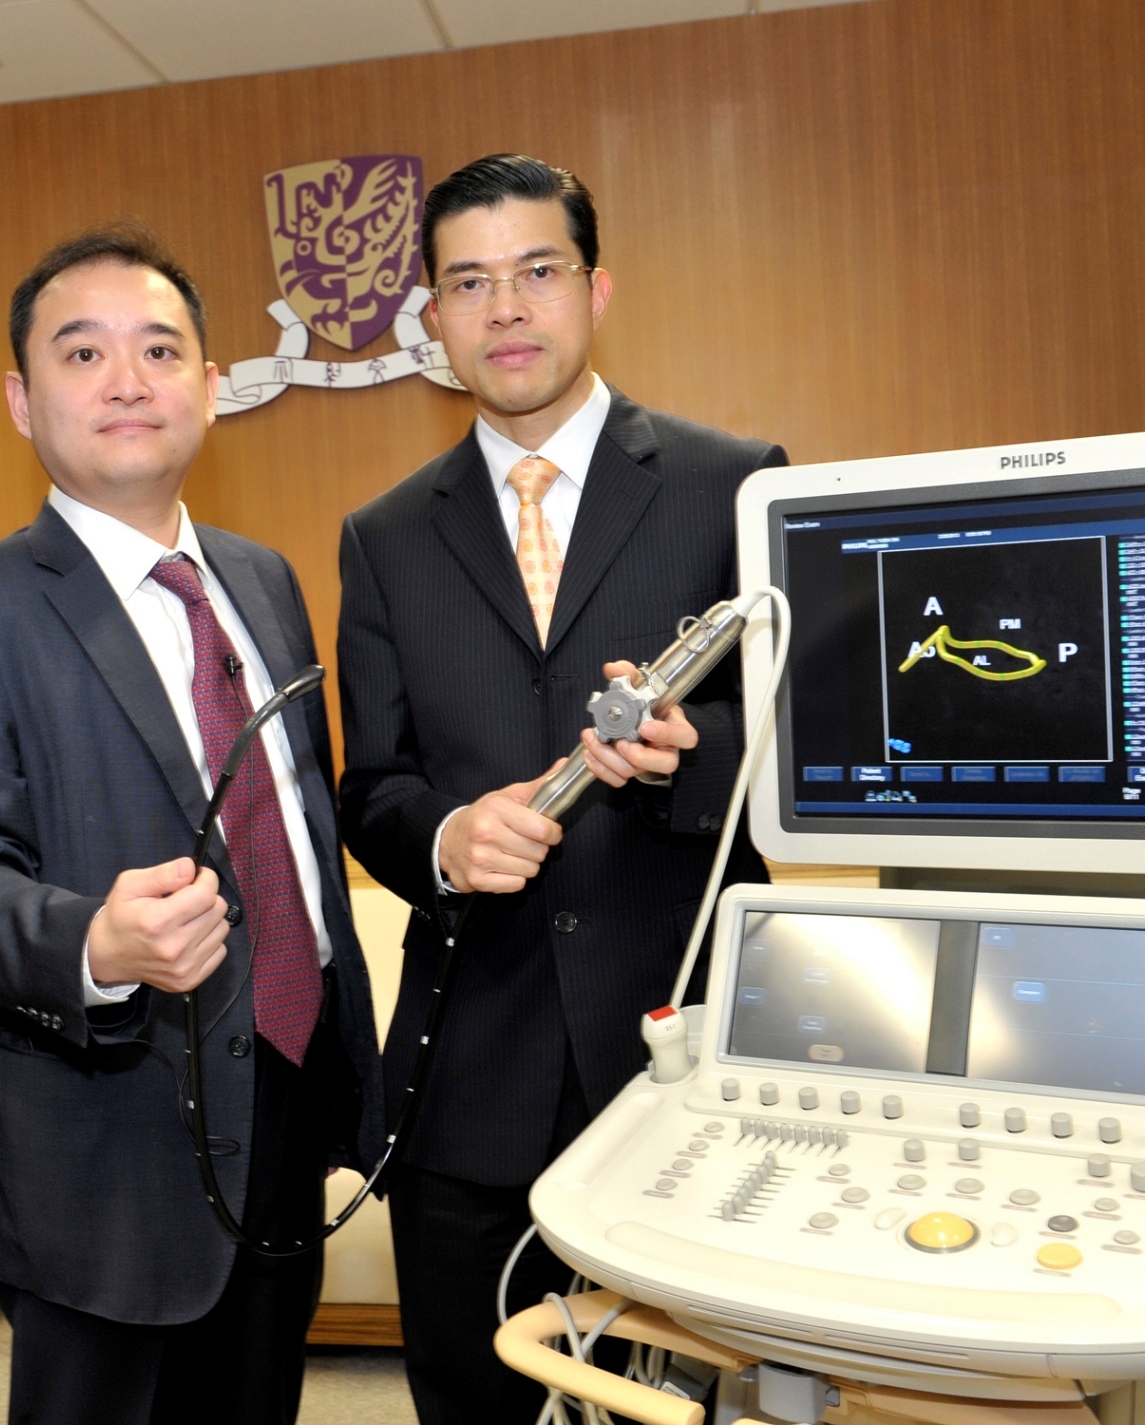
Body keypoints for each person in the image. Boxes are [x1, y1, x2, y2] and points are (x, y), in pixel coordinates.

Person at [0, 225, 385, 1425]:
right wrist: (92, 946)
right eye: (83, 352)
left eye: (160, 349)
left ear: (211, 389)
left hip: (281, 1096)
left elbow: (302, 828)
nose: (126, 380)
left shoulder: (262, 579)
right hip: (100, 1146)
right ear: (20, 399)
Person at [336, 154, 789, 1422]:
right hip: (466, 1070)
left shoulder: (732, 484)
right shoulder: (380, 536)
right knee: (470, 1401)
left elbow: (787, 758)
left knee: (692, 1403)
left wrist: (690, 764)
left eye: (537, 272)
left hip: (679, 1058)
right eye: (468, 283)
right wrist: (439, 838)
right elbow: (368, 787)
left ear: (595, 289)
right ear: (432, 319)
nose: (506, 309)